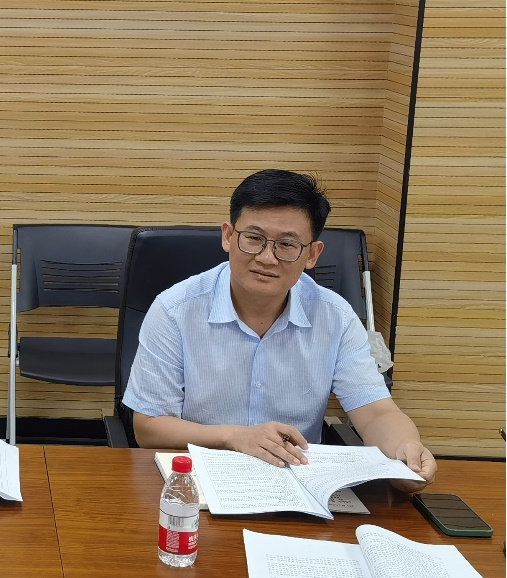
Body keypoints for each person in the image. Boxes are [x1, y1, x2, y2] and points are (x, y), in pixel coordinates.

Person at [122, 169, 435, 492]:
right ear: (228, 236)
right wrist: (234, 437)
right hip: (197, 481)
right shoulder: (175, 310)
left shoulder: (336, 317)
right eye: (254, 238)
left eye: (287, 244)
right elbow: (149, 427)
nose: (267, 258)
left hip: (297, 486)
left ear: (312, 254)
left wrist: (405, 452)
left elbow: (376, 413)